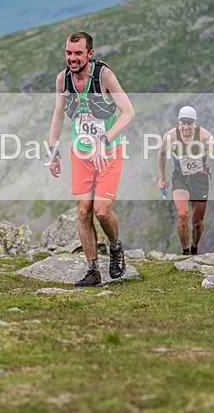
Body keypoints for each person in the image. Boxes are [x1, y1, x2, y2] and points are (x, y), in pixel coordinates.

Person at [47, 31, 135, 287]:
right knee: (84, 211)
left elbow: (128, 112)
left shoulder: (103, 76)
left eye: (78, 54)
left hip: (108, 153)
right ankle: (93, 270)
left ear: (90, 54)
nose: (72, 59)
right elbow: (57, 115)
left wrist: (104, 139)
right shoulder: (63, 79)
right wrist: (53, 152)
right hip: (82, 154)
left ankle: (116, 247)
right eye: (68, 53)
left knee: (102, 211)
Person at [157, 106, 214, 255]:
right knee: (183, 215)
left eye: (190, 123)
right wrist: (162, 178)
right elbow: (161, 154)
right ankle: (185, 253)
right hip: (180, 177)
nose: (186, 127)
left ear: (195, 122)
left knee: (197, 223)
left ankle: (194, 248)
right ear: (179, 121)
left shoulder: (204, 136)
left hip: (200, 179)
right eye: (183, 123)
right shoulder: (170, 136)